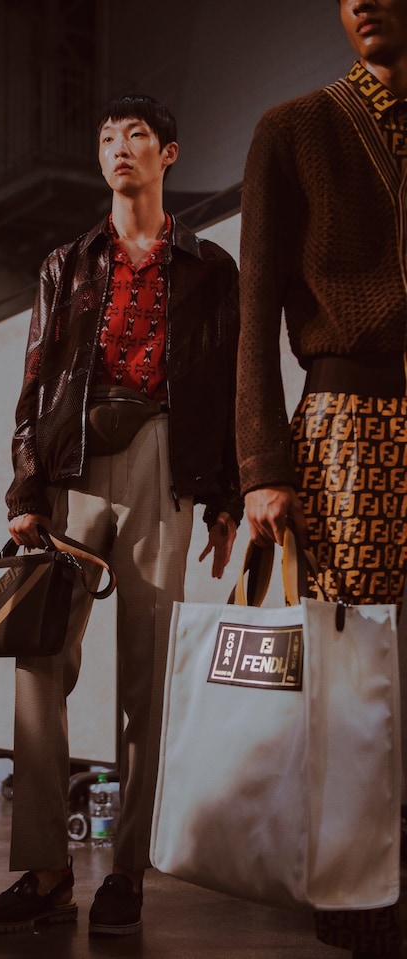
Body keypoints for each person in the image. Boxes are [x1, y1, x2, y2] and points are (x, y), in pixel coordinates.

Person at [0, 94, 242, 937]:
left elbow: (229, 381)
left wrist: (228, 495)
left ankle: (127, 872)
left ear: (169, 154)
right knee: (39, 660)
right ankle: (46, 869)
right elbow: (36, 381)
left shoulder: (210, 268)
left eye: (137, 137)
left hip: (164, 456)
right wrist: (25, 492)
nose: (119, 148)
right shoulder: (67, 262)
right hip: (73, 464)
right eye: (107, 138)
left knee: (149, 677)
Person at [236, 1, 407, 957]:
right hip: (347, 420)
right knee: (351, 665)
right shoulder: (294, 128)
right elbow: (256, 302)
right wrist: (264, 464)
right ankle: (352, 886)